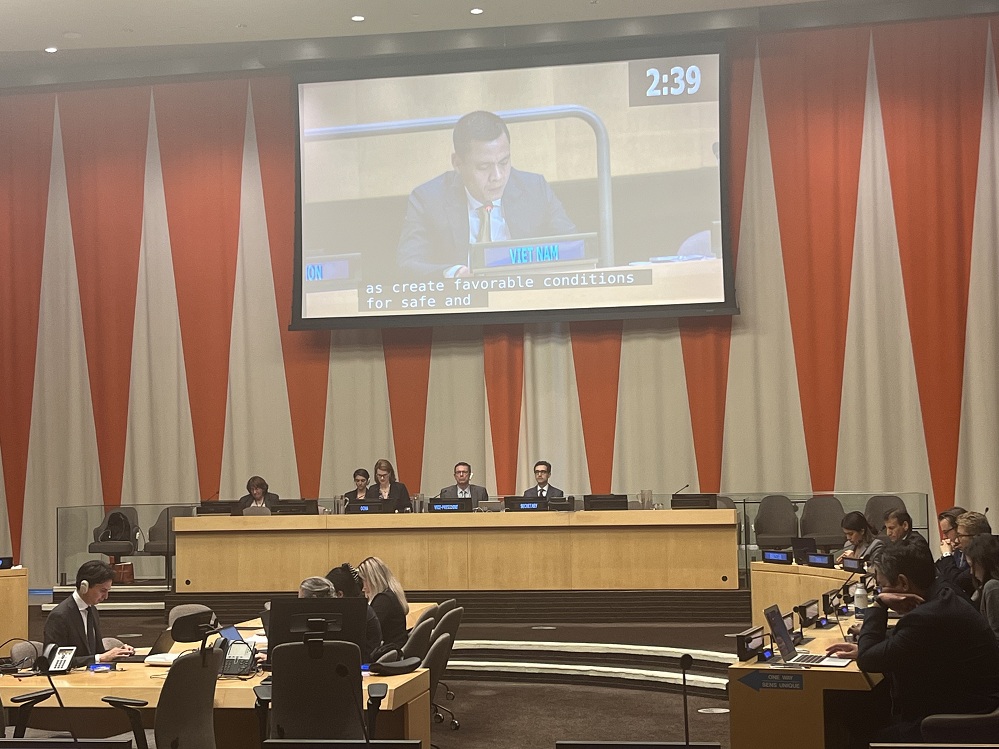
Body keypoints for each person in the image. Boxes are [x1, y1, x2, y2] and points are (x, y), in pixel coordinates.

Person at [826, 543, 999, 744]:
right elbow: (915, 641)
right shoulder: (943, 595)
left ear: (903, 582)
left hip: (955, 719)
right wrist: (869, 647)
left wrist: (879, 604)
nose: (881, 591)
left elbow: (867, 660)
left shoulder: (928, 616)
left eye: (882, 586)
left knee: (847, 712)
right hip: (968, 703)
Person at [397, 110, 577, 279]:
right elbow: (408, 263)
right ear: (457, 163)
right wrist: (455, 274)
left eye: (504, 162)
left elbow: (573, 248)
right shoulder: (428, 199)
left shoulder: (535, 189)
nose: (497, 176)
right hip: (463, 297)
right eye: (484, 167)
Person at [44, 560, 135, 667]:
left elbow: (94, 653)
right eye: (102, 591)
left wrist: (118, 652)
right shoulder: (60, 616)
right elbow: (55, 660)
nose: (106, 597)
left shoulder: (92, 610)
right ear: (85, 587)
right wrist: (99, 658)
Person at [325, 563, 383, 663]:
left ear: (339, 594)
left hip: (361, 665)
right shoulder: (360, 607)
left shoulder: (354, 613)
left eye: (329, 593)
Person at [358, 556, 410, 653]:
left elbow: (368, 631)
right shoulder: (390, 594)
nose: (363, 587)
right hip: (394, 650)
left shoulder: (383, 600)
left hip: (390, 654)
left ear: (373, 579)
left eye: (363, 581)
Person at [938, 510, 991, 599]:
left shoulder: (985, 559)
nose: (956, 540)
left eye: (960, 536)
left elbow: (958, 583)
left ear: (974, 537)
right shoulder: (959, 552)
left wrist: (947, 555)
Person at [964, 534, 999, 642]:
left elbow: (995, 633)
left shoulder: (992, 587)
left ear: (983, 563)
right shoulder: (984, 586)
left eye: (972, 566)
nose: (971, 572)